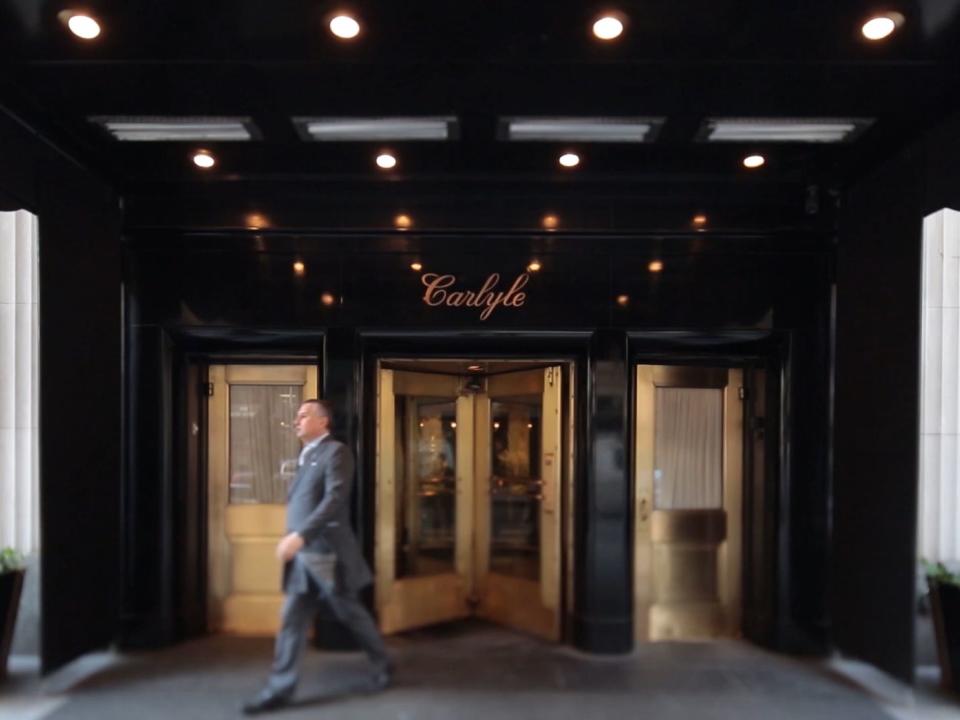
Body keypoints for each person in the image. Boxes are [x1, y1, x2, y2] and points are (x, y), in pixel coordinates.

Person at [243, 399, 392, 715]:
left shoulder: (336, 452)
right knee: (292, 620)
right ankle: (279, 689)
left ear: (323, 422)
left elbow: (335, 500)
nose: (296, 420)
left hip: (325, 553)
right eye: (296, 416)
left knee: (350, 613)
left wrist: (299, 535)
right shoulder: (306, 455)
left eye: (303, 415)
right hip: (304, 555)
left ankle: (383, 664)